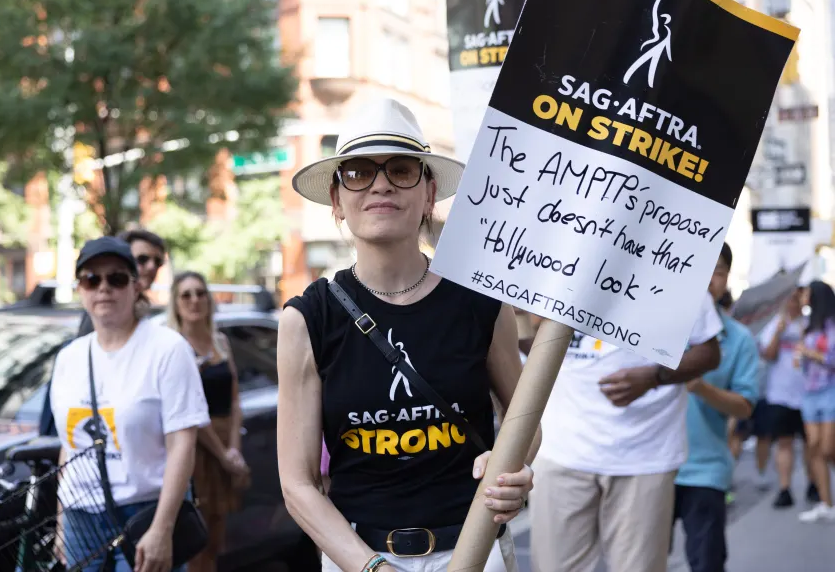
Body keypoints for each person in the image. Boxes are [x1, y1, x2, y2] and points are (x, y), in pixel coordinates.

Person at [277, 98, 531, 572]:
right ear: (337, 199)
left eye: (400, 169)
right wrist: (370, 568)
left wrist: (513, 467)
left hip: (473, 551)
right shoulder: (307, 319)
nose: (380, 185)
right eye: (357, 172)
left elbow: (526, 422)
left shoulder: (482, 301)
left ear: (429, 192)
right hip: (360, 558)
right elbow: (298, 485)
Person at [529, 284, 722, 568]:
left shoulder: (679, 275)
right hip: (561, 453)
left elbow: (709, 353)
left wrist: (654, 376)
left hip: (644, 457)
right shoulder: (561, 265)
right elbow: (528, 345)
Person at [50, 237, 209, 572]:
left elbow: (183, 443)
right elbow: (70, 446)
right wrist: (62, 520)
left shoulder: (167, 349)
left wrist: (163, 528)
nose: (103, 288)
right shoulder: (69, 358)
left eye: (116, 278)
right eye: (92, 279)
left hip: (146, 512)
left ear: (136, 287)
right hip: (81, 519)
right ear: (80, 288)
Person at [672, 243, 759, 572]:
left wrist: (702, 388)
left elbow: (746, 407)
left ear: (726, 278)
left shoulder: (739, 338)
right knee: (639, 562)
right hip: (647, 462)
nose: (708, 279)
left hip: (705, 470)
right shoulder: (653, 325)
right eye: (699, 268)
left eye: (718, 272)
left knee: (706, 562)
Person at [40, 229, 168, 437]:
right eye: (142, 259)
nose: (151, 267)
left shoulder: (163, 338)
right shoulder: (99, 321)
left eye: (158, 262)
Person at [167, 271, 250, 572]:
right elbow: (190, 413)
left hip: (224, 446)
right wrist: (222, 454)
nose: (195, 300)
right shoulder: (172, 346)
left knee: (216, 539)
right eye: (186, 295)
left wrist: (234, 449)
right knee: (194, 541)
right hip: (193, 450)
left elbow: (235, 400)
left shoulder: (221, 342)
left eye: (200, 293)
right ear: (175, 303)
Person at [754, 288, 818, 508]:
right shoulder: (775, 324)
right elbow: (768, 355)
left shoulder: (811, 324)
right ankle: (785, 488)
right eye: (790, 298)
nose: (794, 303)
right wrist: (779, 333)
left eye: (797, 298)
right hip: (780, 394)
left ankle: (814, 484)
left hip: (808, 393)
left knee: (811, 443)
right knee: (784, 442)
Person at [795, 280, 835, 523]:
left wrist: (810, 353)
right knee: (815, 448)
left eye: (807, 294)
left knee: (828, 448)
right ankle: (825, 502)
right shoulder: (807, 327)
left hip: (830, 390)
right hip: (809, 393)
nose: (803, 297)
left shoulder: (831, 325)